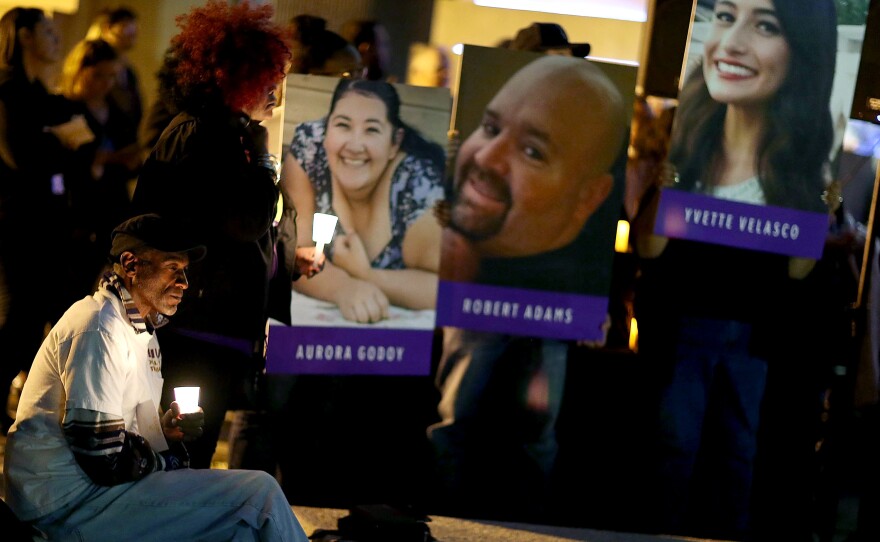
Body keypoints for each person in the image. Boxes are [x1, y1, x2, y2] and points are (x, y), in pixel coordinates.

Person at [630, 0, 838, 539]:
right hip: (684, 327)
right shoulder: (688, 153)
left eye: (766, 25)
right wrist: (669, 183)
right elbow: (648, 252)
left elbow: (797, 272)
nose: (733, 42)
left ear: (801, 53)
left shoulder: (798, 171)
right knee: (671, 452)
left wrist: (817, 208)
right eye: (724, 16)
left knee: (735, 456)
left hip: (754, 333)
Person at [3, 213, 309, 541]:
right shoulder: (97, 327)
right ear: (132, 265)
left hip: (96, 493)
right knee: (259, 495)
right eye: (173, 269)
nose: (184, 283)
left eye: (184, 272)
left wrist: (165, 431)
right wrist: (167, 460)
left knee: (242, 529)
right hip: (65, 503)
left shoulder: (140, 333)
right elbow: (101, 456)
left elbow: (123, 437)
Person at [426, 54, 626, 521]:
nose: (487, 158)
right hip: (473, 311)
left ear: (591, 196)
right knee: (455, 423)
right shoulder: (457, 251)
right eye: (491, 128)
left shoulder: (574, 276)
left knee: (535, 434)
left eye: (533, 152)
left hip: (553, 315)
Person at [131, 0, 320, 469]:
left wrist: (289, 257)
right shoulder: (203, 137)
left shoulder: (232, 136)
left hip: (217, 325)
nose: (278, 93)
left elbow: (254, 225)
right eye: (271, 79)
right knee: (179, 457)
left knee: (191, 452)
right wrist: (263, 163)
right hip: (194, 327)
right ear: (240, 77)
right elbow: (242, 221)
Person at [282, 78, 445, 324]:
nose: (355, 145)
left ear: (395, 142)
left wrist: (365, 275)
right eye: (343, 125)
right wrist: (343, 287)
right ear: (326, 132)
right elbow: (294, 253)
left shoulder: (417, 184)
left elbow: (441, 288)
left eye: (372, 129)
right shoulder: (310, 148)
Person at [0, 7, 92, 433]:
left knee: (51, 319)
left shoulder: (43, 95)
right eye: (48, 32)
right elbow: (22, 160)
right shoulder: (9, 92)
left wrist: (62, 144)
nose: (57, 39)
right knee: (18, 323)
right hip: (19, 225)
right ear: (23, 37)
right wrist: (59, 143)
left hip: (51, 225)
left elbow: (78, 160)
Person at [58, 38, 141, 295]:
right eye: (97, 75)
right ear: (79, 71)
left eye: (110, 76)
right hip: (76, 211)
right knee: (71, 289)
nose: (105, 83)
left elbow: (130, 153)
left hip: (112, 206)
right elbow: (64, 161)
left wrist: (121, 159)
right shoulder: (64, 108)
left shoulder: (117, 110)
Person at [85, 6, 142, 133]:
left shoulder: (129, 72)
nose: (132, 32)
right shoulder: (92, 64)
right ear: (107, 28)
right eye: (125, 25)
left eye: (134, 26)